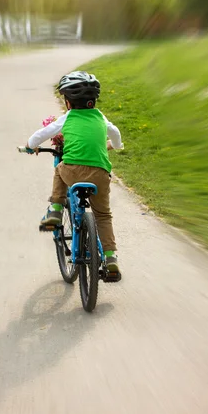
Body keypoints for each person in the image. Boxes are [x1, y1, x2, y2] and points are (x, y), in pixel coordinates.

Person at [26, 71, 124, 274]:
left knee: (59, 169)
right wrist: (115, 145)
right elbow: (115, 132)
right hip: (100, 174)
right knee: (103, 216)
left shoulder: (67, 118)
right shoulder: (100, 118)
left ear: (68, 101)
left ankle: (55, 209)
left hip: (72, 170)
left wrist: (30, 145)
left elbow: (42, 134)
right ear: (93, 101)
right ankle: (110, 258)